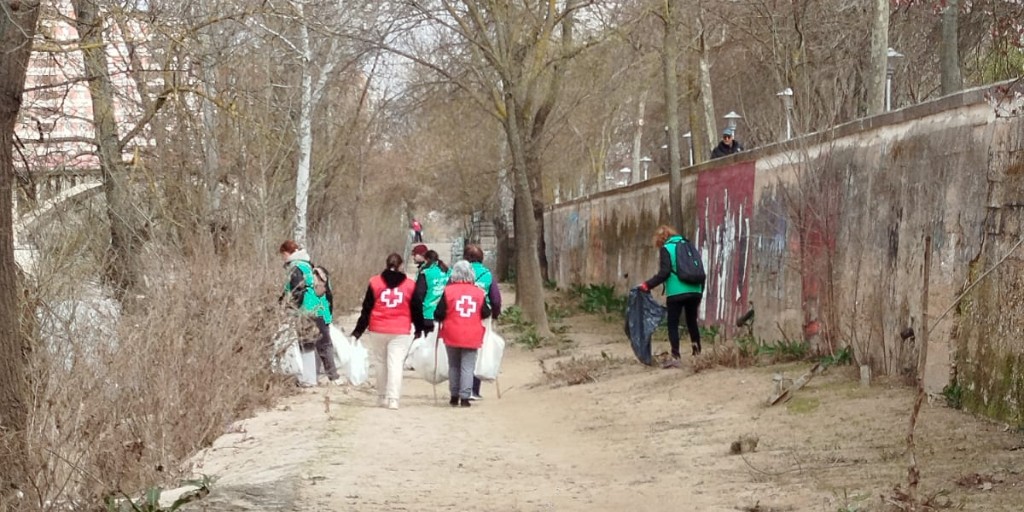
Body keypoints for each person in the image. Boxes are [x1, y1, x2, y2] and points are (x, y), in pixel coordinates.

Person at [351, 252, 425, 410]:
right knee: (395, 363)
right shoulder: (410, 285)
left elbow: (367, 309)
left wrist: (358, 331)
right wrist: (419, 328)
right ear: (401, 266)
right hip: (400, 329)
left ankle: (381, 396)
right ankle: (393, 399)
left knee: (380, 362)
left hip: (378, 328)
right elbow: (417, 309)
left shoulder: (375, 282)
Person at [638, 225, 705, 369]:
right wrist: (700, 290)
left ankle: (676, 356)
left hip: (676, 291)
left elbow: (665, 272)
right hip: (695, 289)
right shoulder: (688, 245)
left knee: (672, 323)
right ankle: (697, 353)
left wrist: (647, 285)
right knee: (691, 321)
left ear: (661, 240)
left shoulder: (666, 248)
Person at [278, 240, 341, 386]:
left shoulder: (295, 268)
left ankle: (309, 379)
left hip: (306, 312)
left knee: (306, 345)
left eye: (283, 255)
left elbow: (295, 292)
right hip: (321, 309)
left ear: (287, 253)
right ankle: (333, 377)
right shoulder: (310, 266)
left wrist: (289, 308)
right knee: (324, 344)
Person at [434, 260, 491, 407]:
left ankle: (454, 396)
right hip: (472, 333)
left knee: (453, 365)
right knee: (468, 366)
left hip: (451, 332)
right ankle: (465, 397)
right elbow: (486, 312)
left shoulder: (448, 291)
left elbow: (438, 313)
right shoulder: (479, 292)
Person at [463, 244, 501, 400]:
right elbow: (496, 299)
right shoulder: (487, 274)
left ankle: (460, 387)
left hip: (461, 314)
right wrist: (496, 314)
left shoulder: (458, 272)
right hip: (482, 315)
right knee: (479, 350)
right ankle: (474, 389)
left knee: (461, 348)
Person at [414, 249, 450, 334]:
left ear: (426, 260)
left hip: (428, 313)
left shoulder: (425, 272)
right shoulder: (448, 272)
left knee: (426, 344)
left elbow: (419, 294)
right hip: (446, 312)